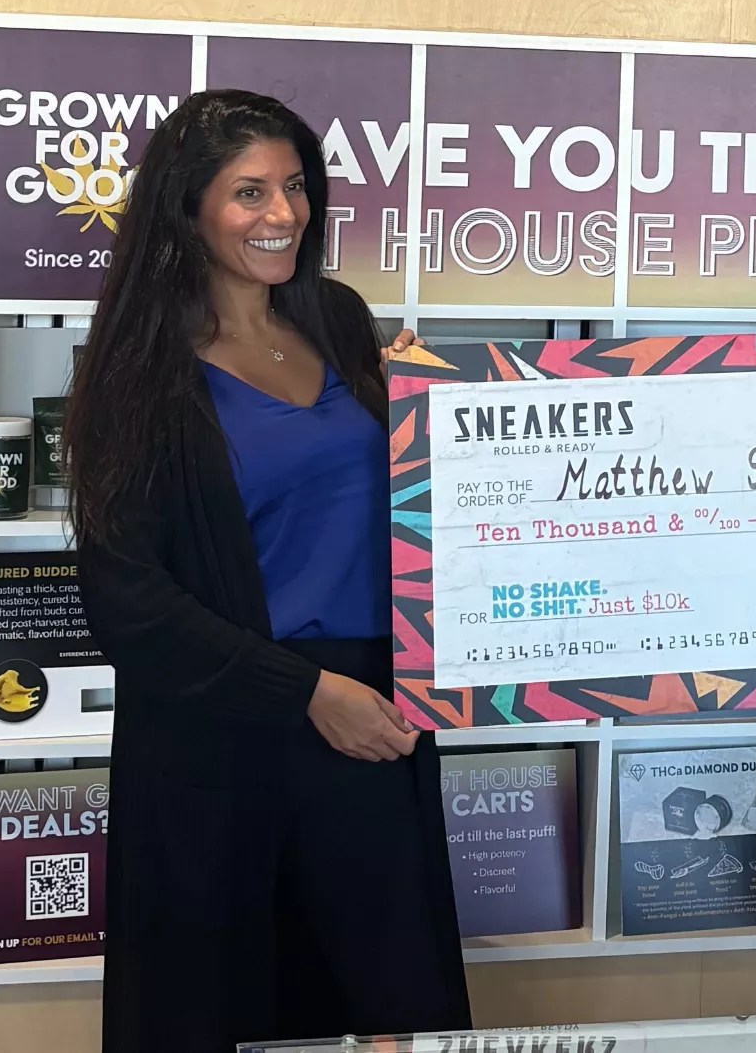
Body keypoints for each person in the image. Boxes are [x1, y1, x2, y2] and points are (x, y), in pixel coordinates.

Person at [66, 89, 472, 1051]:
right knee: (224, 1009)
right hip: (226, 739)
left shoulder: (338, 319)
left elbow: (390, 505)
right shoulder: (138, 370)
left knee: (390, 1005)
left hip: (376, 716)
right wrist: (305, 693)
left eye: (294, 186)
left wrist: (431, 415)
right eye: (249, 192)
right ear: (189, 209)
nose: (282, 212)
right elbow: (129, 604)